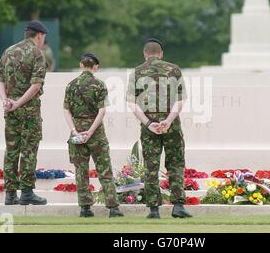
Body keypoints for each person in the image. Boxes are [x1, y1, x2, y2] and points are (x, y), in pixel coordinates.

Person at [126, 38, 192, 219]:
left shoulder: (137, 72)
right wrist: (169, 121)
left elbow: (132, 103)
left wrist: (148, 123)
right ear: (161, 54)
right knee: (176, 164)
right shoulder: (174, 69)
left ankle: (154, 209)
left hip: (150, 125)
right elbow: (181, 100)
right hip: (171, 124)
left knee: (151, 166)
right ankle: (178, 206)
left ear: (145, 54)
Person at [63, 52, 124, 218]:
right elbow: (102, 110)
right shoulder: (99, 85)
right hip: (95, 132)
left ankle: (85, 208)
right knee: (104, 170)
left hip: (76, 129)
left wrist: (75, 130)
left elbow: (66, 110)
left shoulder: (71, 85)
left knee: (81, 171)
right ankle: (113, 208)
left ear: (81, 65)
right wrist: (91, 131)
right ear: (95, 66)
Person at [0, 20, 49, 206]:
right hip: (29, 111)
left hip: (10, 110)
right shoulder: (37, 55)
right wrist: (18, 103)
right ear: (39, 35)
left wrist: (5, 100)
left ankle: (10, 194)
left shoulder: (8, 52)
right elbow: (36, 85)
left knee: (11, 150)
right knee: (28, 151)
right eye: (43, 38)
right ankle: (26, 192)